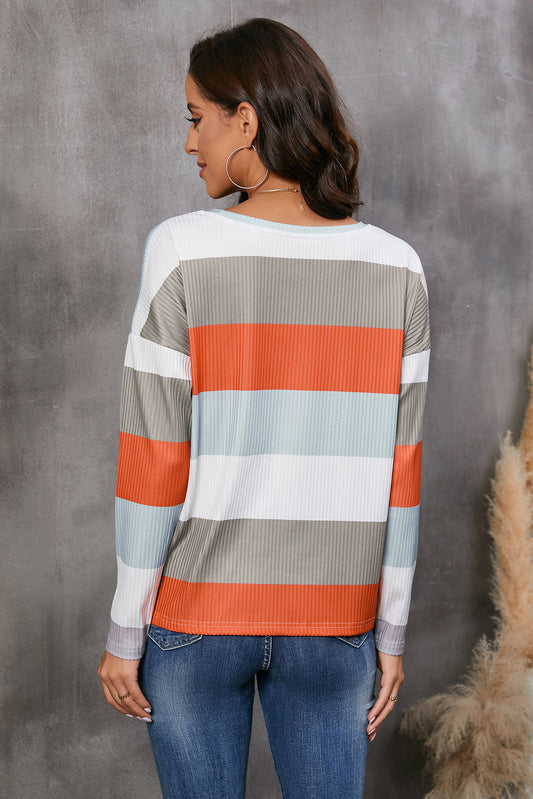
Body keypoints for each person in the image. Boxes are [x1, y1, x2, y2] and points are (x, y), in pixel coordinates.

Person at [98, 16, 430, 799]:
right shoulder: (398, 267)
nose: (190, 142)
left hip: (199, 617)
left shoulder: (180, 249)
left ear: (244, 121)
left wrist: (124, 629)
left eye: (196, 118)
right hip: (336, 623)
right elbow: (401, 471)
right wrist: (389, 632)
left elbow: (153, 458)